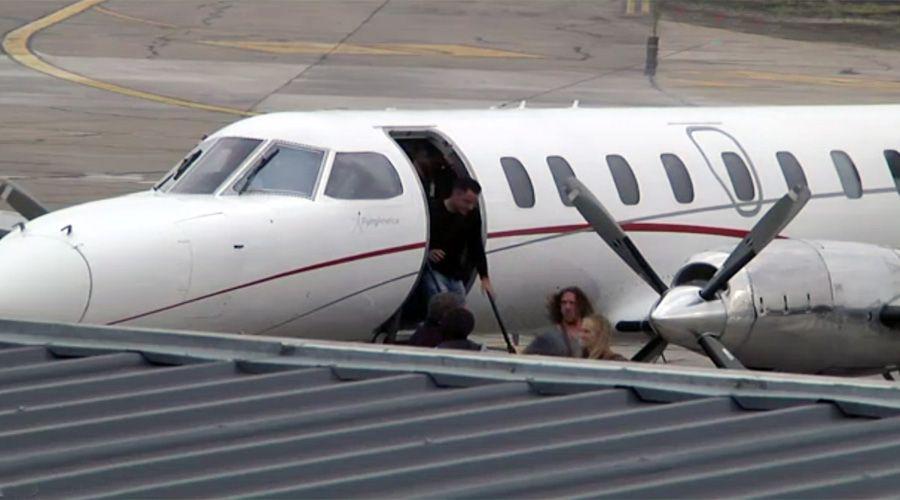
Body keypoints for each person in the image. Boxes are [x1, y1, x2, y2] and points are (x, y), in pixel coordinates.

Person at [424, 177, 492, 301]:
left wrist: (484, 276)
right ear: (455, 194)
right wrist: (427, 253)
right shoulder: (433, 212)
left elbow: (476, 246)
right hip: (434, 269)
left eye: (473, 203)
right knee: (444, 303)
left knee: (460, 305)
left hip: (454, 272)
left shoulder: (472, 215)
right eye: (466, 202)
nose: (470, 207)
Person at [522, 286, 594, 358]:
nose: (567, 307)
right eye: (564, 303)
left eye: (572, 303)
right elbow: (524, 359)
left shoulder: (593, 336)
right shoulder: (549, 338)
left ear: (580, 306)